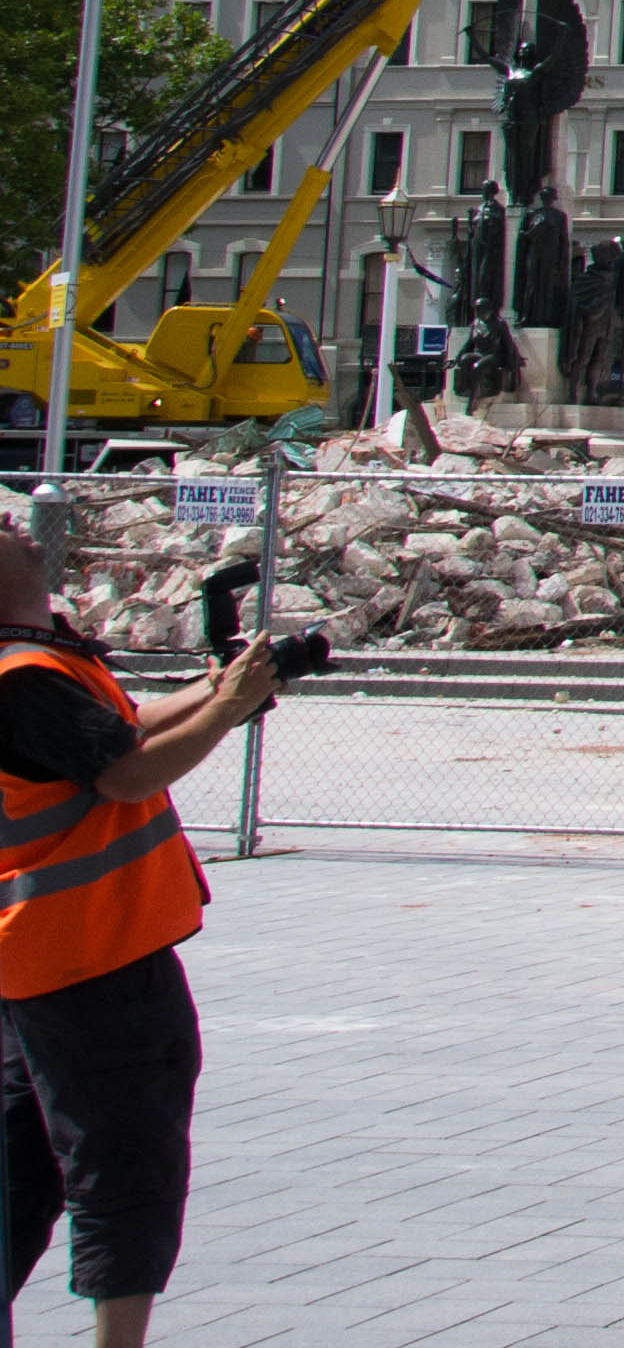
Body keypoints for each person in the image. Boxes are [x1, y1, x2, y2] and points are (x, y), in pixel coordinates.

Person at [0, 519, 277, 1348]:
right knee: (124, 1165)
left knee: (21, 1167)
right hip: (93, 960)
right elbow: (125, 773)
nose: (14, 523)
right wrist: (227, 708)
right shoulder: (20, 681)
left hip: (43, 963)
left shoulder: (36, 666)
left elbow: (119, 728)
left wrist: (218, 689)